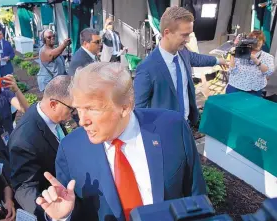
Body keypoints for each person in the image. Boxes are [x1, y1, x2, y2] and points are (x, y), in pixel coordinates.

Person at [36, 62, 206, 221]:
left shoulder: (172, 128)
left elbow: (197, 198)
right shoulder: (70, 149)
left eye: (91, 109)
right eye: (78, 109)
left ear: (125, 106)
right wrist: (65, 216)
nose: (82, 121)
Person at [134, 6, 227, 125]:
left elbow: (198, 59)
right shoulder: (146, 68)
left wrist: (218, 60)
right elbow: (139, 109)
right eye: (184, 35)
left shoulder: (183, 53)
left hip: (186, 124)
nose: (188, 40)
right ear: (167, 33)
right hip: (164, 132)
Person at [9, 76, 74, 220]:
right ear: (53, 104)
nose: (74, 114)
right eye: (72, 109)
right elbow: (24, 187)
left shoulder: (49, 115)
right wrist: (49, 214)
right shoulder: (24, 140)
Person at [226, 30, 275, 96]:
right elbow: (232, 70)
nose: (257, 43)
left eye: (259, 40)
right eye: (254, 40)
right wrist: (232, 54)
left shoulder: (267, 57)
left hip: (254, 90)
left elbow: (269, 72)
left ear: (263, 42)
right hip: (235, 86)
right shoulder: (241, 52)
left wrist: (256, 60)